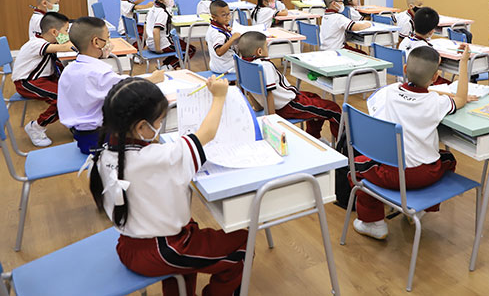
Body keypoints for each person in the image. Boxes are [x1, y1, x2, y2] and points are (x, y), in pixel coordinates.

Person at [88, 76, 248, 296]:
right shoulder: (158, 158)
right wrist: (219, 96)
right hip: (163, 250)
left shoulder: (103, 153)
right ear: (141, 126)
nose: (160, 125)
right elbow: (207, 133)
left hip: (128, 244)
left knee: (191, 231)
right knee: (242, 243)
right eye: (159, 120)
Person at [352, 44, 470, 239]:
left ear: (405, 69)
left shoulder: (388, 92)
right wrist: (463, 62)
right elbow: (461, 98)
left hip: (390, 174)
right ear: (435, 77)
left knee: (356, 166)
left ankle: (373, 222)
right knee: (448, 159)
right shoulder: (436, 102)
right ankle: (422, 207)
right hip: (425, 174)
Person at [59, 17, 164, 154]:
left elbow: (118, 82)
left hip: (81, 134)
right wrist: (153, 78)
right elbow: (129, 86)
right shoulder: (98, 73)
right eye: (107, 38)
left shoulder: (69, 69)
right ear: (96, 42)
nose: (109, 42)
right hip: (99, 138)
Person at [238, 31, 342, 141]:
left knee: (315, 97)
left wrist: (259, 106)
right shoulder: (264, 66)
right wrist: (273, 121)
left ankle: (314, 137)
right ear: (259, 51)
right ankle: (343, 147)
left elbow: (249, 90)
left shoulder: (245, 65)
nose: (267, 49)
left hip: (285, 101)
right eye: (266, 47)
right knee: (334, 109)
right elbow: (269, 94)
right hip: (288, 105)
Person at [12, 12, 73, 146]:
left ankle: (74, 122)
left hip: (43, 78)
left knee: (72, 90)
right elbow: (66, 47)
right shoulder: (36, 44)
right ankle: (36, 127)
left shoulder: (46, 41)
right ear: (54, 32)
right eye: (66, 31)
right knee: (62, 99)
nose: (67, 34)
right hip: (27, 82)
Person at [145, 0, 195, 69]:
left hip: (150, 43)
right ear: (160, 0)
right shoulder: (162, 13)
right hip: (161, 44)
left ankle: (166, 66)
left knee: (180, 46)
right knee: (190, 50)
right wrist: (158, 49)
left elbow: (145, 26)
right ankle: (168, 67)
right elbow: (155, 31)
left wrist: (147, 43)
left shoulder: (152, 9)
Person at [206, 0, 242, 73]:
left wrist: (228, 32)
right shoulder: (217, 33)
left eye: (228, 14)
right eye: (223, 15)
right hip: (225, 67)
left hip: (217, 65)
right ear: (214, 17)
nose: (228, 17)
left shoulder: (214, 27)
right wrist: (232, 39)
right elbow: (219, 52)